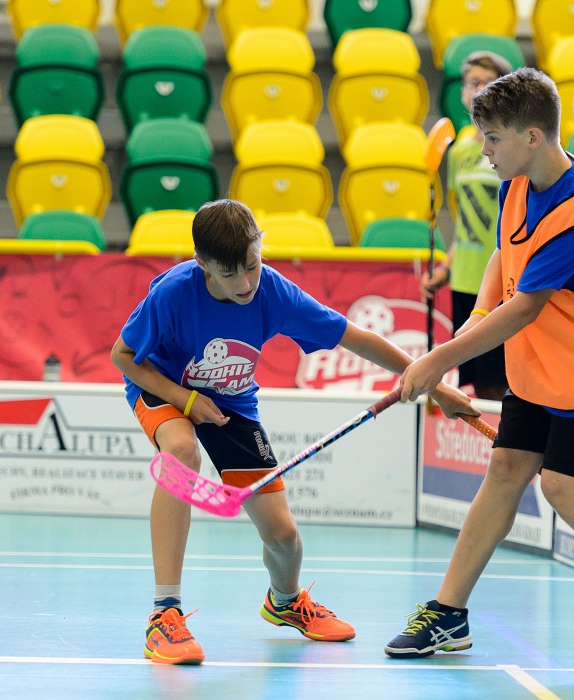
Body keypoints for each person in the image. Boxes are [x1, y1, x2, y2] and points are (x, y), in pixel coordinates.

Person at [384, 68, 574, 667]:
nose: (484, 150)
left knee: (561, 486)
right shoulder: (518, 182)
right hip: (545, 362)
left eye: (492, 138)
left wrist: (439, 361)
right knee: (505, 469)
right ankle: (448, 613)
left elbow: (524, 307)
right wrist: (467, 325)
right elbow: (505, 260)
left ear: (532, 135)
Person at [111, 199, 476, 665]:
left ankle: (284, 602)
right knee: (181, 450)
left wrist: (436, 386)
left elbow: (356, 339)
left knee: (283, 537)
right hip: (163, 386)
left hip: (230, 401)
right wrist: (184, 401)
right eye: (229, 275)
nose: (245, 284)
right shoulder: (174, 294)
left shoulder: (274, 292)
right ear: (202, 265)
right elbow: (124, 356)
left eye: (252, 266)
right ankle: (165, 613)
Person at [421, 51, 511, 401]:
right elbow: (464, 223)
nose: (476, 90)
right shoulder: (458, 150)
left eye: (486, 83)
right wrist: (446, 267)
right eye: (471, 83)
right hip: (464, 278)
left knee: (496, 383)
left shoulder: (510, 146)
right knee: (471, 381)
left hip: (500, 278)